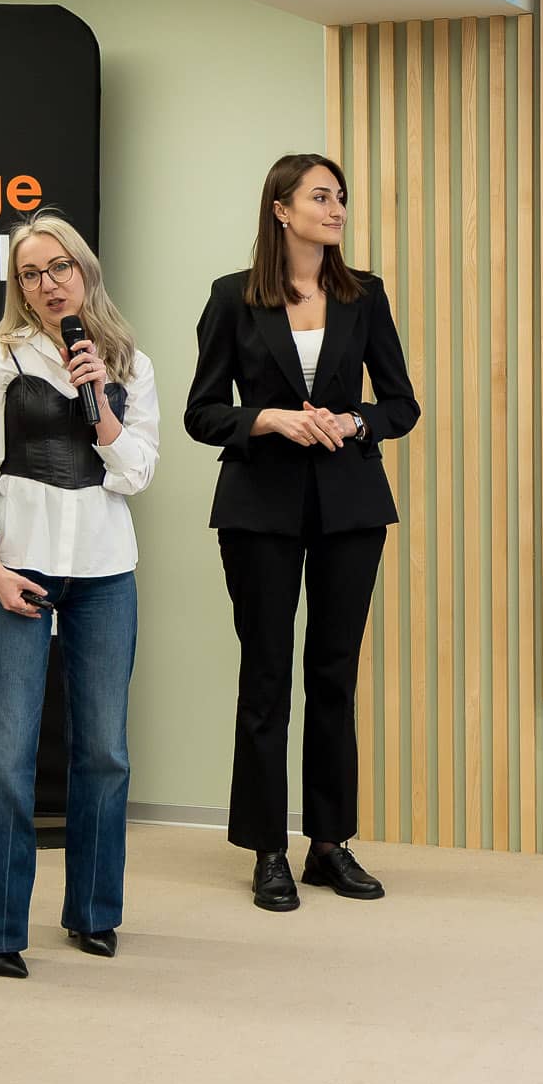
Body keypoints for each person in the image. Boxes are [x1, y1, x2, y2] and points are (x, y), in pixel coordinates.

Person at [185, 153, 418, 911]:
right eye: (321, 196)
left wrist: (354, 422)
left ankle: (329, 844)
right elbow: (202, 412)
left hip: (352, 507)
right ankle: (267, 850)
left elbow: (401, 405)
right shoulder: (232, 297)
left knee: (334, 675)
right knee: (265, 677)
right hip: (259, 507)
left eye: (340, 196)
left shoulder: (364, 294)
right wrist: (268, 419)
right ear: (281, 209)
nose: (337, 207)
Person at [0, 214, 158, 977]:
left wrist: (97, 396)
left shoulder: (129, 361)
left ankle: (94, 912)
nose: (47, 283)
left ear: (84, 269)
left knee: (104, 750)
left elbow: (135, 472)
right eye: (30, 273)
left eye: (58, 266)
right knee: (4, 751)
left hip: (105, 569)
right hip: (19, 566)